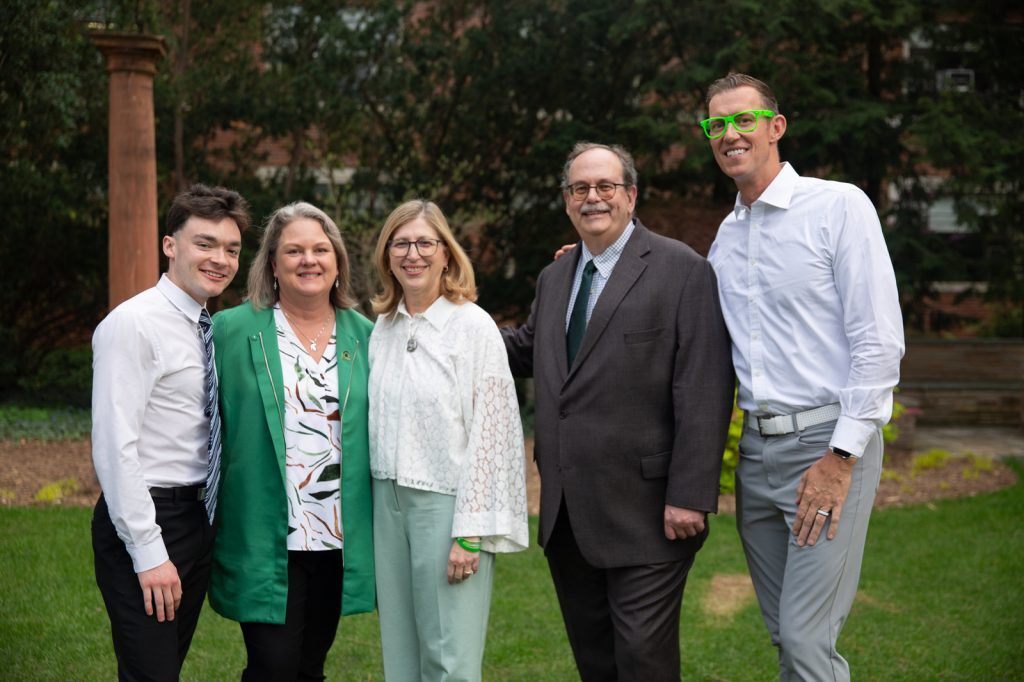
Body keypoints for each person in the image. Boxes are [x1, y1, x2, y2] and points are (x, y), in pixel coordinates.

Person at [502, 143, 734, 681]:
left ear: (630, 195)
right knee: (596, 664)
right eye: (580, 188)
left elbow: (704, 387)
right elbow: (531, 350)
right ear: (566, 201)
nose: (593, 198)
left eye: (605, 186)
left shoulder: (683, 270)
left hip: (651, 515)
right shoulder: (555, 277)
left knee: (642, 662)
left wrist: (690, 495)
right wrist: (447, 327)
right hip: (569, 516)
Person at [701, 73, 905, 681]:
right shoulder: (724, 239)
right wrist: (593, 266)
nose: (730, 134)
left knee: (806, 637)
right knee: (786, 637)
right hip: (757, 456)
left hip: (827, 446)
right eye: (716, 124)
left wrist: (840, 457)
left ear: (776, 127)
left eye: (743, 119)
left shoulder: (839, 206)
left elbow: (878, 342)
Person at [208, 202, 375, 680]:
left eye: (321, 249)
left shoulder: (368, 337)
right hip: (264, 531)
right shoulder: (231, 331)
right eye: (294, 250)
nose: (309, 260)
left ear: (338, 262)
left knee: (309, 666)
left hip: (337, 536)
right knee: (273, 665)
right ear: (273, 265)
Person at [91, 183, 249, 681]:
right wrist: (148, 550)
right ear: (170, 245)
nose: (219, 259)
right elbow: (115, 447)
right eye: (205, 243)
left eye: (231, 249)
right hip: (148, 519)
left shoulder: (205, 325)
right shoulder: (134, 324)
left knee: (163, 668)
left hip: (196, 519)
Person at [368, 199, 528, 681]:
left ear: (446, 254)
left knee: (448, 658)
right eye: (401, 243)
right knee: (400, 652)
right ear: (387, 255)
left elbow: (494, 431)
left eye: (424, 243)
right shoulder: (384, 325)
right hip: (386, 501)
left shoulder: (473, 327)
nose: (412, 254)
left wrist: (470, 531)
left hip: (446, 508)